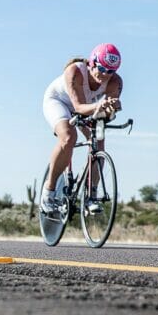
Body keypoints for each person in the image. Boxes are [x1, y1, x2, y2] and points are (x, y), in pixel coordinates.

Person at [41, 43, 123, 213]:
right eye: (101, 68)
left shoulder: (115, 82)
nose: (105, 75)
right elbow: (77, 107)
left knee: (98, 144)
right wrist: (100, 105)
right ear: (92, 63)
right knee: (69, 137)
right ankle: (48, 192)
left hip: (89, 107)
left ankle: (91, 194)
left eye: (110, 71)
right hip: (60, 102)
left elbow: (105, 116)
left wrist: (111, 109)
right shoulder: (76, 71)